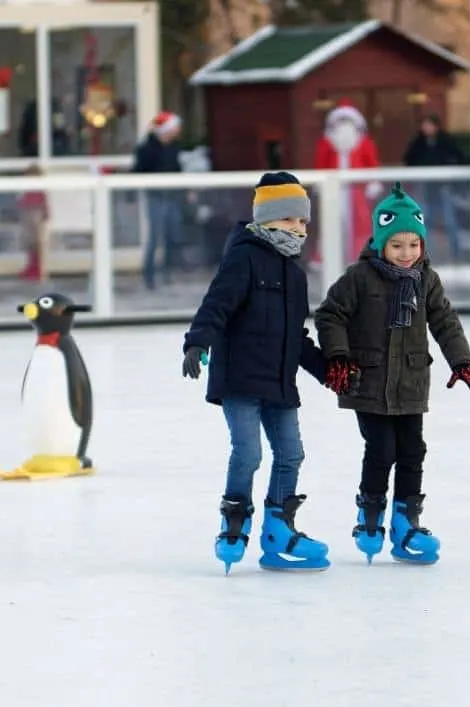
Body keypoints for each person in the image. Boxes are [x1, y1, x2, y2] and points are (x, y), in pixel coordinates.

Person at [314, 181, 470, 566]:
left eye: (414, 244)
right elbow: (330, 314)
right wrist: (340, 357)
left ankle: (406, 521)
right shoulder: (360, 277)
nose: (406, 253)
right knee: (381, 450)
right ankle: (371, 515)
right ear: (381, 243)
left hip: (410, 380)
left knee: (413, 450)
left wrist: (461, 361)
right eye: (397, 245)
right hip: (369, 381)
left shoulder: (426, 279)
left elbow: (445, 320)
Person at [181, 171, 330, 574]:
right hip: (241, 380)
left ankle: (278, 528)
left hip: (279, 382)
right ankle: (234, 520)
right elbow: (217, 304)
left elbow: (297, 337)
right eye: (288, 220)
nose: (297, 229)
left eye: (302, 222)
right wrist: (197, 341)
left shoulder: (295, 275)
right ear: (265, 221)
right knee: (248, 452)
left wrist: (327, 372)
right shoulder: (243, 257)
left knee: (291, 453)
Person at [312, 100, 383, 265]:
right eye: (341, 122)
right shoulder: (326, 143)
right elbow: (320, 164)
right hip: (333, 188)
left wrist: (373, 182)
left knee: (361, 222)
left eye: (347, 122)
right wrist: (320, 183)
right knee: (331, 221)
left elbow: (372, 163)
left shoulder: (364, 142)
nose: (344, 126)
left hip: (356, 189)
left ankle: (361, 255)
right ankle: (326, 257)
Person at [402, 114, 467, 261]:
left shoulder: (446, 141)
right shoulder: (418, 142)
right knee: (424, 221)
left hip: (443, 187)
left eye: (428, 125)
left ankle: (456, 252)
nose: (425, 128)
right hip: (424, 187)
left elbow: (459, 157)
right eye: (424, 125)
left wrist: (451, 175)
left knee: (450, 220)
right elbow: (409, 159)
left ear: (435, 126)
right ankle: (424, 253)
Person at [132, 111, 183, 290]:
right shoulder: (147, 149)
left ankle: (167, 273)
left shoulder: (174, 147)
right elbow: (138, 171)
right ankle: (150, 275)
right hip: (155, 197)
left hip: (172, 196)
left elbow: (177, 169)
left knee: (172, 235)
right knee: (155, 237)